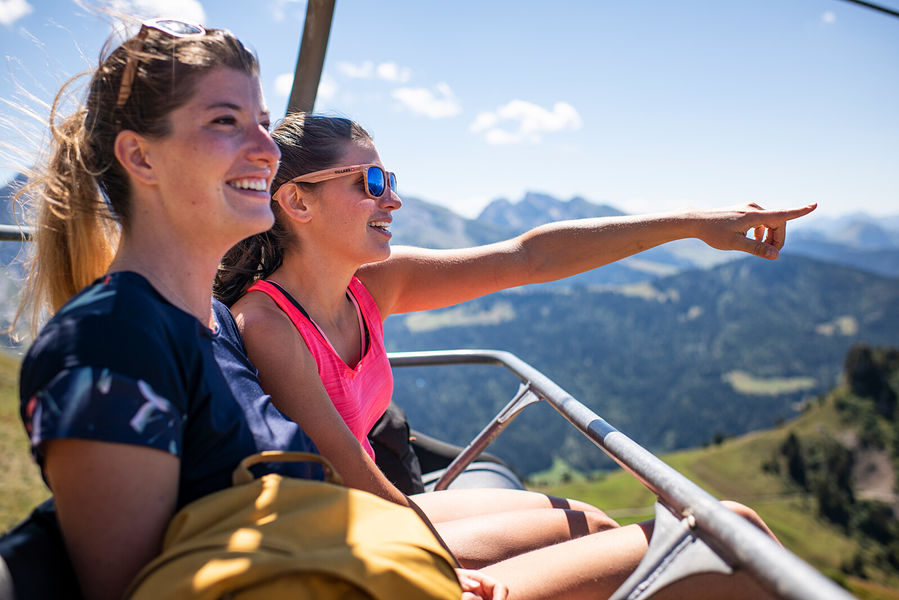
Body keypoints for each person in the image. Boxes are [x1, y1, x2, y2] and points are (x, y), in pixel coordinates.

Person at [5, 21, 502, 600]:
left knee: (607, 535)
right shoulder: (106, 344)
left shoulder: (215, 324)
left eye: (263, 125)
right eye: (226, 122)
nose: (268, 151)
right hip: (343, 577)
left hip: (342, 564)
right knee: (623, 551)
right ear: (141, 157)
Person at [215, 113, 807, 594]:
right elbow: (358, 482)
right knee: (729, 535)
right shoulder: (267, 325)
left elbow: (529, 258)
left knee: (592, 522)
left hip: (370, 517)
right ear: (297, 202)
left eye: (390, 180)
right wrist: (436, 571)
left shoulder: (370, 284)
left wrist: (691, 223)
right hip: (347, 546)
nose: (392, 200)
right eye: (370, 183)